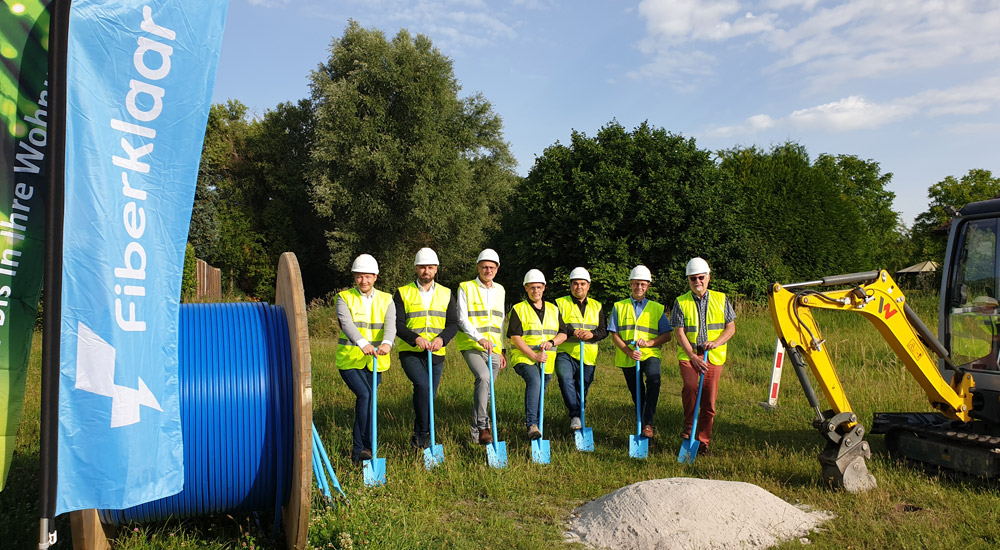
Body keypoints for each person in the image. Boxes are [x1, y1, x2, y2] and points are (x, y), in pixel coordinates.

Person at [393, 247, 460, 450]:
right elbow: (398, 324)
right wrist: (415, 338)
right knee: (422, 386)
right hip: (411, 352)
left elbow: (453, 324)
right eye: (422, 267)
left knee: (428, 396)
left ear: (436, 269)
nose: (426, 271)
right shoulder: (402, 292)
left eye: (430, 267)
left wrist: (442, 339)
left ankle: (421, 437)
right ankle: (422, 437)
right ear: (416, 268)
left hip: (436, 352)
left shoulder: (447, 293)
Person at [671, 257, 736, 457]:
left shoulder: (721, 298)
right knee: (690, 388)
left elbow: (731, 328)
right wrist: (692, 355)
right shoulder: (681, 302)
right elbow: (679, 332)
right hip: (690, 355)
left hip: (713, 356)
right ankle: (689, 431)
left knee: (709, 402)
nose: (697, 281)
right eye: (693, 278)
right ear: (688, 280)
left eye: (701, 277)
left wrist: (716, 343)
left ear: (708, 277)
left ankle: (703, 442)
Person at [335, 254, 396, 465]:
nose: (364, 281)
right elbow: (347, 324)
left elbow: (391, 324)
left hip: (376, 361)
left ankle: (365, 450)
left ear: (375, 277)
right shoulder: (344, 297)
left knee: (370, 402)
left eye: (368, 276)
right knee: (365, 395)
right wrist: (363, 344)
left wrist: (387, 342)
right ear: (354, 277)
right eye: (360, 276)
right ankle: (359, 449)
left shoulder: (387, 299)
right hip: (350, 359)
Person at [609, 265, 672, 439]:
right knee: (637, 393)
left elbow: (667, 335)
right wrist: (628, 352)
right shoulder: (619, 307)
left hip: (650, 354)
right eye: (636, 284)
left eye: (643, 284)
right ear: (630, 284)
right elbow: (614, 334)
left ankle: (648, 424)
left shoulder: (657, 308)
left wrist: (650, 343)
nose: (639, 287)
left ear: (648, 286)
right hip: (628, 356)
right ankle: (645, 424)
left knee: (654, 379)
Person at [507, 269, 568, 439]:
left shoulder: (554, 309)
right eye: (532, 287)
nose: (536, 291)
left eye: (539, 287)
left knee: (541, 390)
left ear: (544, 288)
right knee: (534, 381)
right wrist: (534, 356)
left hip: (546, 360)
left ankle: (538, 426)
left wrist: (552, 342)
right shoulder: (519, 309)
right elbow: (516, 338)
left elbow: (563, 333)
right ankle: (531, 425)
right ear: (526, 288)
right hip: (523, 358)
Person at [456, 248, 507, 445]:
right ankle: (483, 426)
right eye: (484, 267)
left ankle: (476, 432)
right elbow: (461, 318)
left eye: (491, 267)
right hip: (472, 345)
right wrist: (478, 338)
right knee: (483, 377)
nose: (488, 270)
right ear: (478, 267)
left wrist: (502, 350)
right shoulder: (465, 287)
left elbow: (501, 321)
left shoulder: (500, 290)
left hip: (494, 348)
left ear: (497, 269)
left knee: (487, 389)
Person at [554, 267, 608, 430]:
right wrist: (573, 331)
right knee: (565, 380)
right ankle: (576, 415)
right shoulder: (559, 303)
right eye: (575, 284)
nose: (579, 287)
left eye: (582, 284)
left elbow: (604, 330)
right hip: (565, 351)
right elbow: (557, 324)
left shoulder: (597, 306)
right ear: (570, 285)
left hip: (589, 355)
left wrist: (592, 334)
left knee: (582, 385)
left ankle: (577, 414)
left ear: (588, 286)